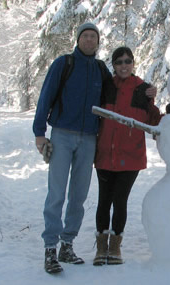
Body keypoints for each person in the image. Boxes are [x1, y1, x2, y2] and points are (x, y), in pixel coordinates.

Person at [33, 22, 110, 274]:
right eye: (85, 36)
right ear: (78, 40)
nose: (89, 40)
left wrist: (146, 93)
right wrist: (39, 134)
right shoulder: (64, 64)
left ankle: (67, 244)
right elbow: (46, 96)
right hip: (62, 136)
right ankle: (50, 249)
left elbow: (118, 93)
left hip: (89, 138)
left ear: (98, 42)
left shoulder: (100, 69)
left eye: (93, 37)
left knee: (78, 195)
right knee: (56, 193)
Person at [92, 46, 161, 266]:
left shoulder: (142, 89)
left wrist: (156, 101)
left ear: (133, 63)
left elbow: (153, 121)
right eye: (119, 62)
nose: (123, 65)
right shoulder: (106, 87)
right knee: (104, 201)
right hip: (105, 153)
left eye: (127, 61)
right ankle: (102, 246)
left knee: (120, 201)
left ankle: (115, 247)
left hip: (130, 157)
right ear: (114, 65)